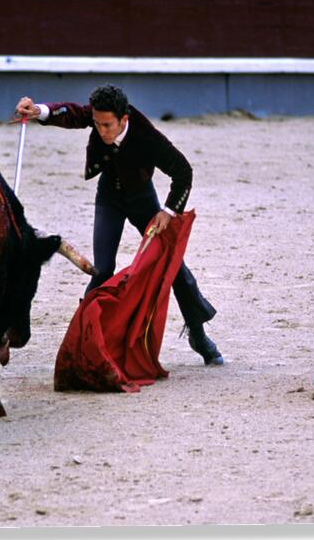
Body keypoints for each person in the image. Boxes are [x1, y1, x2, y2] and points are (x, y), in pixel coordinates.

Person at [15, 85, 223, 366]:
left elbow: (183, 172)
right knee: (102, 269)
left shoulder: (147, 136)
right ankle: (82, 340)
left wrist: (169, 211)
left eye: (107, 125)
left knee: (175, 267)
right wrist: (38, 110)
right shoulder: (99, 116)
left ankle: (197, 334)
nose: (101, 130)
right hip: (109, 197)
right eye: (97, 124)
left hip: (142, 198)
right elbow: (73, 113)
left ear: (123, 120)